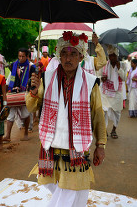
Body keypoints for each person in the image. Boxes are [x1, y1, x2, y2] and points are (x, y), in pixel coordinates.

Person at [27, 31, 106, 207]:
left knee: (72, 193)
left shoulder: (91, 82)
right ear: (58, 55)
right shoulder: (46, 78)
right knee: (57, 189)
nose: (68, 58)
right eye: (64, 53)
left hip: (76, 151)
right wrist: (33, 90)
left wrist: (100, 145)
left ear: (81, 57)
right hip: (50, 147)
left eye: (73, 54)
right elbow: (31, 107)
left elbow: (98, 115)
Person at [3, 48, 36, 142]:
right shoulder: (14, 65)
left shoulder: (31, 67)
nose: (20, 58)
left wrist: (31, 90)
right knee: (10, 116)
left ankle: (26, 133)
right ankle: (8, 135)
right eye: (19, 56)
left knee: (26, 114)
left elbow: (34, 80)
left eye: (23, 56)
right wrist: (6, 90)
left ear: (27, 57)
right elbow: (9, 79)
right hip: (13, 93)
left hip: (26, 93)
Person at [99, 45, 126, 139]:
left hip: (117, 92)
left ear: (117, 56)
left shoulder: (122, 65)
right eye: (110, 56)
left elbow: (124, 78)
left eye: (114, 55)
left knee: (117, 112)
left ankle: (114, 130)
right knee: (104, 112)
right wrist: (102, 78)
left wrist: (119, 69)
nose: (112, 57)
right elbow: (98, 76)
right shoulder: (104, 65)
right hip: (105, 92)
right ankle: (104, 130)